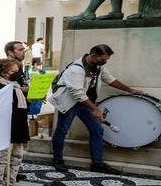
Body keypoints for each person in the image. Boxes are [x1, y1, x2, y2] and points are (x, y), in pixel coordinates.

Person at [48, 43, 146, 174]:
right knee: (62, 130)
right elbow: (77, 93)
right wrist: (95, 109)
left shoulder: (98, 67)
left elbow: (110, 80)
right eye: (103, 59)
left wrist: (130, 90)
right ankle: (57, 160)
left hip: (85, 103)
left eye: (106, 60)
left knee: (97, 130)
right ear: (94, 55)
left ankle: (97, 164)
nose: (104, 62)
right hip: (70, 103)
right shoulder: (76, 69)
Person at [0, 58, 31, 186]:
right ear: (4, 73)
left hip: (18, 126)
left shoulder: (16, 87)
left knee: (17, 157)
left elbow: (22, 107)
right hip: (5, 129)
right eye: (14, 71)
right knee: (2, 159)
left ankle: (11, 185)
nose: (17, 74)